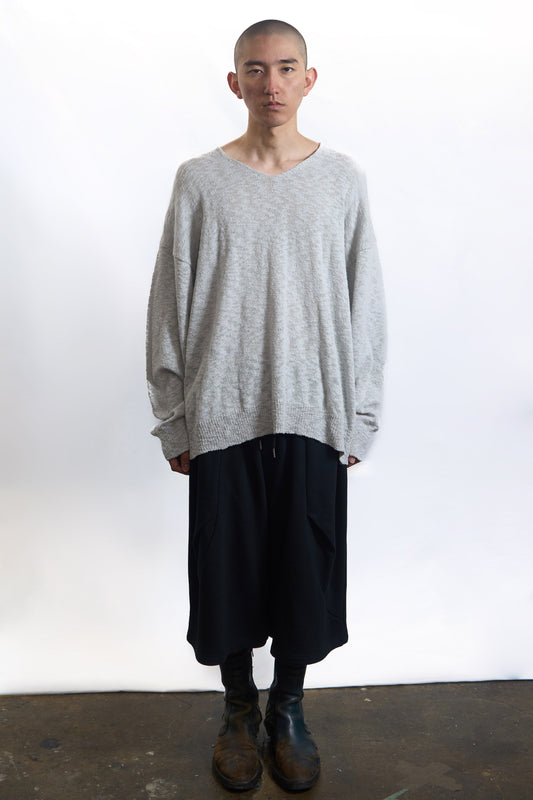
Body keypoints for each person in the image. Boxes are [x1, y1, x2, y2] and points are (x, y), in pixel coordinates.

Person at [146, 19, 386, 793]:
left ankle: (288, 708)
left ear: (308, 79)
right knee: (226, 570)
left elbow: (364, 302)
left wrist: (360, 413)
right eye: (255, 69)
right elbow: (168, 302)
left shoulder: (341, 180)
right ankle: (236, 710)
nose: (271, 84)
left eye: (285, 68)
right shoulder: (200, 181)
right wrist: (174, 417)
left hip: (313, 411)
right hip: (223, 413)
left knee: (302, 569)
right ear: (234, 82)